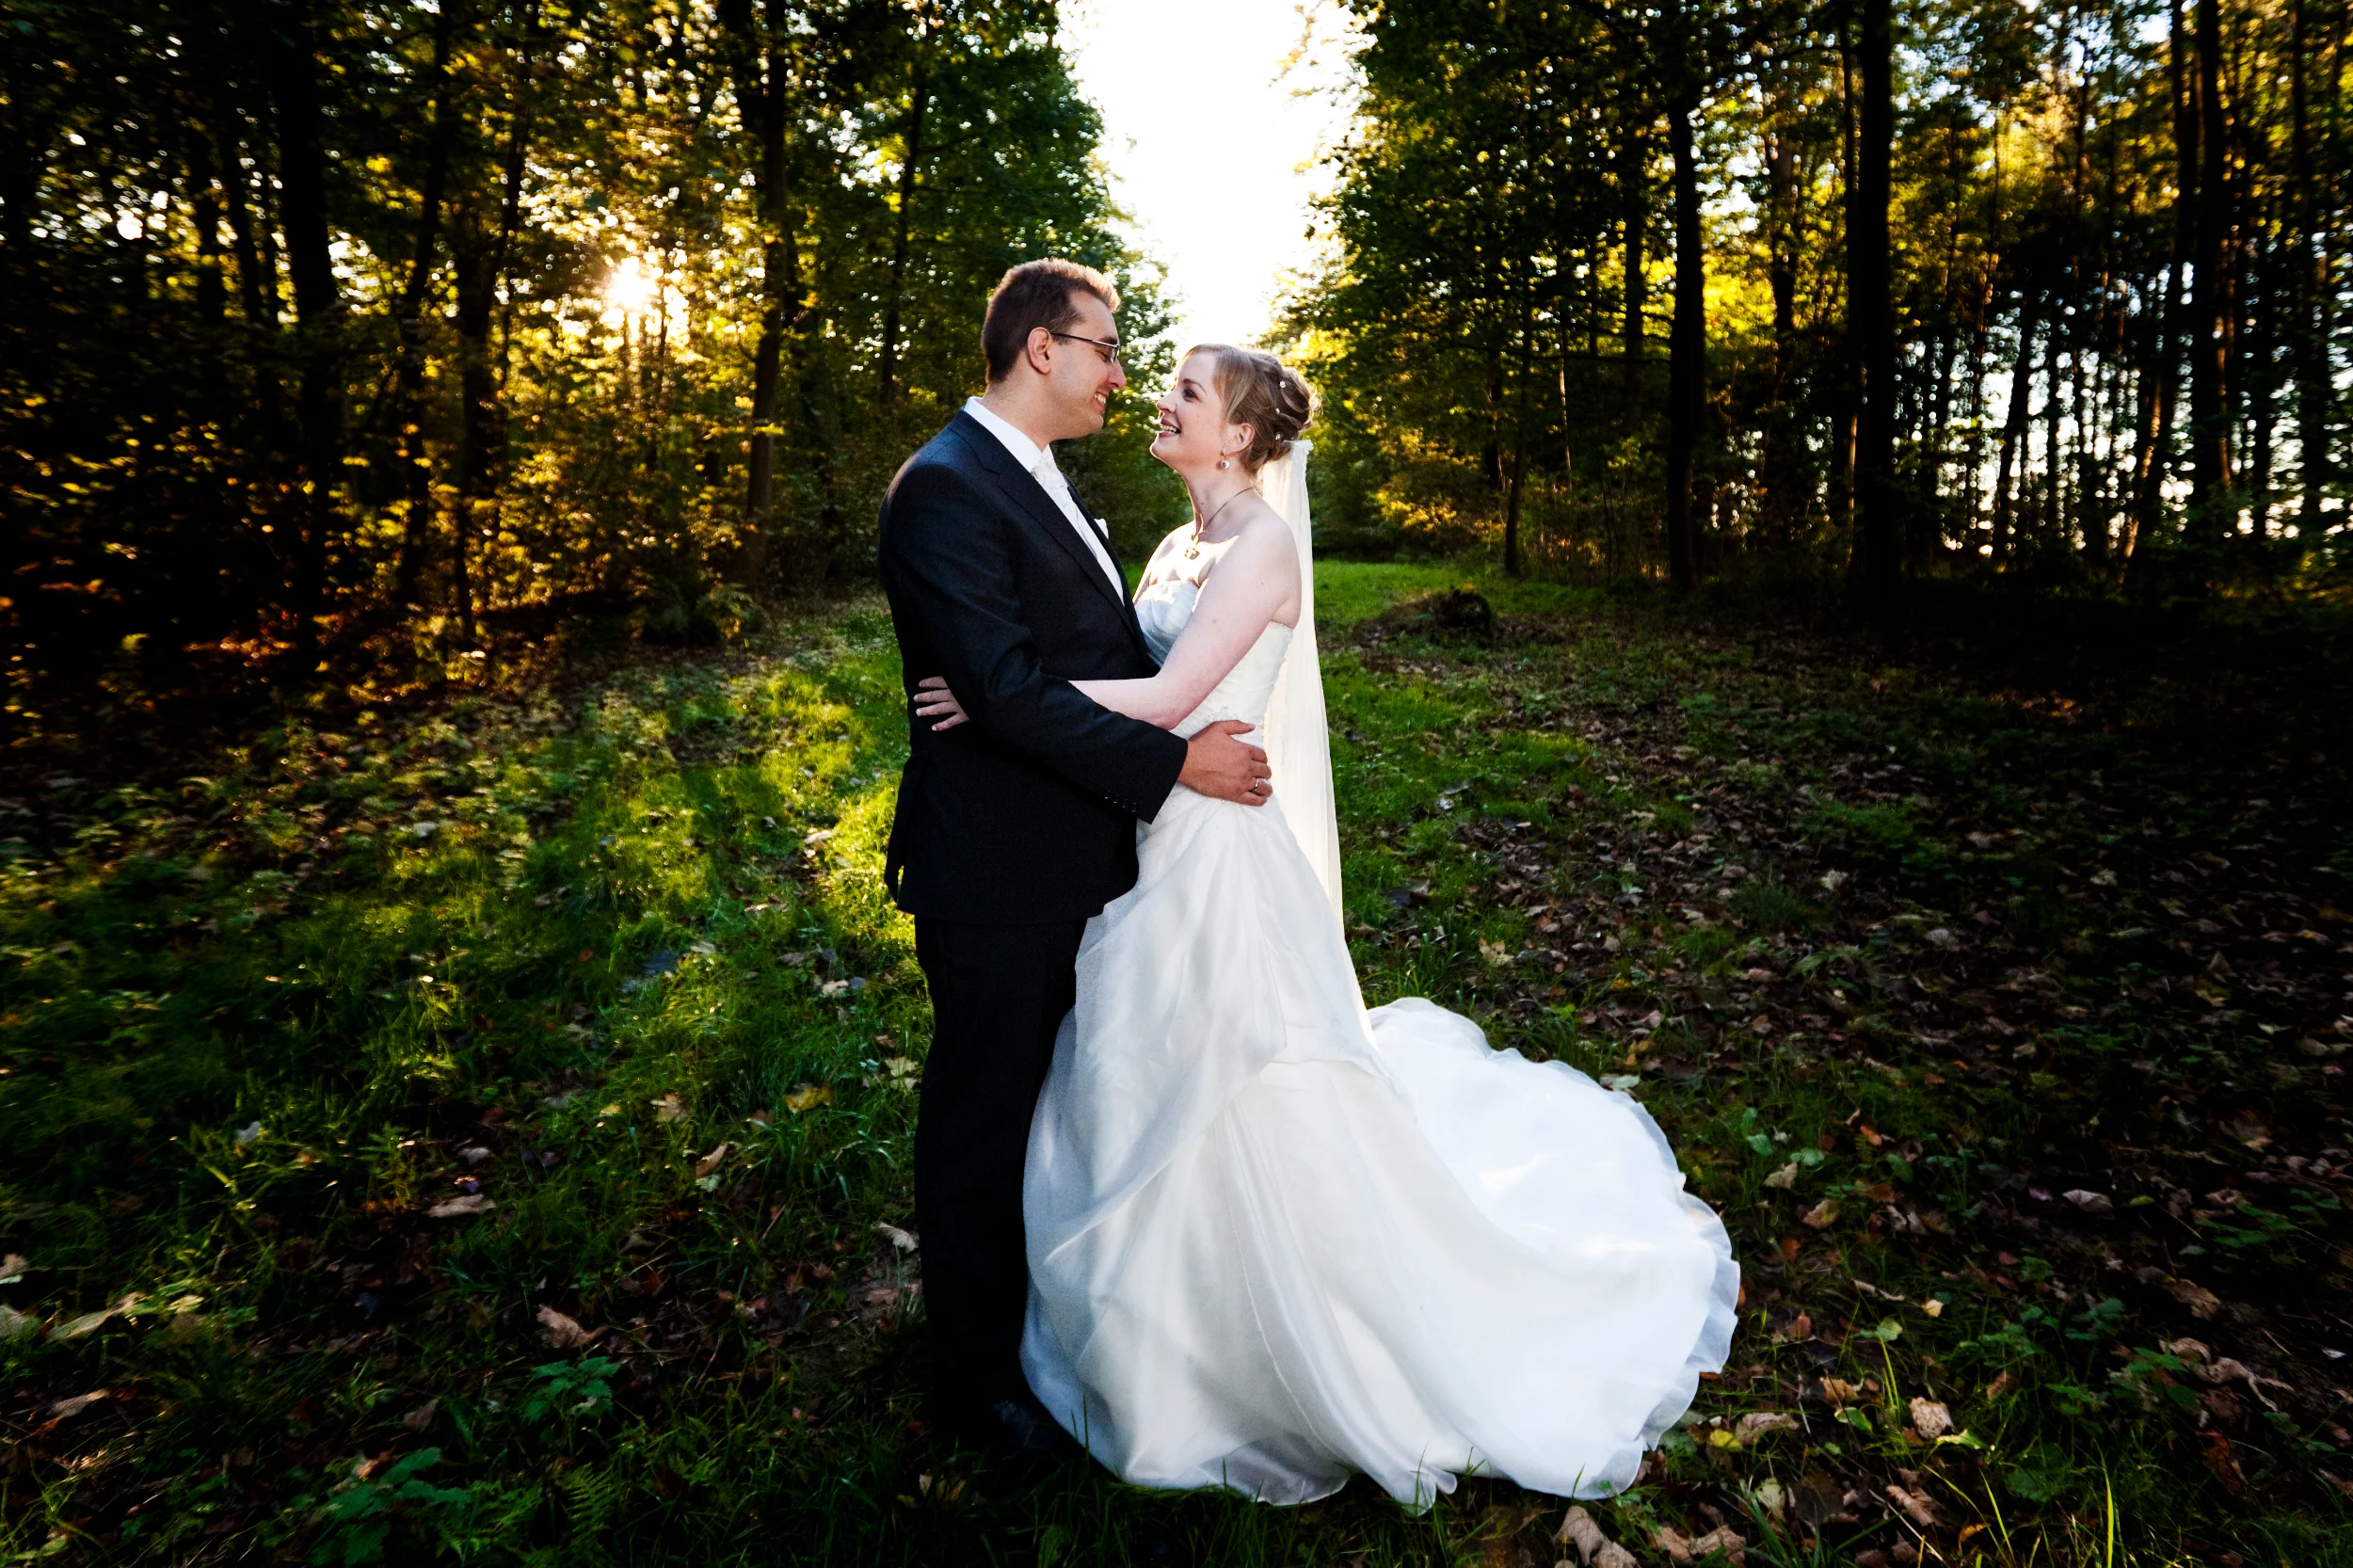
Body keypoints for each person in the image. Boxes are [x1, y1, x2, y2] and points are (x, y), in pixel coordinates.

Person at [911, 344, 1740, 1508]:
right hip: (1142, 835)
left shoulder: (1263, 549)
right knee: (1130, 1072)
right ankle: (1148, 1324)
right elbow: (1117, 672)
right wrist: (1022, 684)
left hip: (1214, 855)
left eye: (1187, 393)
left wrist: (990, 696)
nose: (1161, 397)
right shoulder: (1172, 544)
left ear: (1242, 437)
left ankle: (1261, 1354)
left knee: (1231, 1079)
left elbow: (1160, 699)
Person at [874, 260, 1276, 1458]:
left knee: (1059, 1109)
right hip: (994, 868)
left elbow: (1054, 667)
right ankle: (977, 1382)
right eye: (1104, 347)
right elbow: (999, 692)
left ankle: (1058, 1325)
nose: (1120, 373)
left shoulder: (1049, 481)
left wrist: (1025, 704)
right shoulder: (946, 488)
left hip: (1076, 857)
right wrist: (1173, 767)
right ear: (1040, 349)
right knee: (982, 1118)